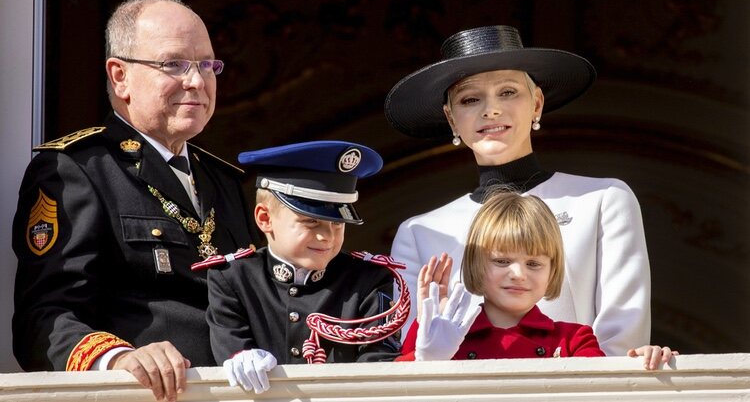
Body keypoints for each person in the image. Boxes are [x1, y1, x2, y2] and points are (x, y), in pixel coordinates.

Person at [12, 0, 255, 402]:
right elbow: (45, 320)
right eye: (174, 64)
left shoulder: (225, 180)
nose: (197, 81)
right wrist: (118, 360)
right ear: (120, 76)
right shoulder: (78, 170)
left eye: (207, 65)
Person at [385, 25, 650, 355]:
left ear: (536, 103)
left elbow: (622, 346)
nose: (490, 110)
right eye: (470, 99)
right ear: (452, 119)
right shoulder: (418, 232)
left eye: (508, 92)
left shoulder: (604, 201)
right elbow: (413, 358)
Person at [202, 141, 405, 394]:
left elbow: (378, 363)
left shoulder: (369, 280)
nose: (327, 237)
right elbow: (231, 346)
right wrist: (241, 355)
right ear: (265, 218)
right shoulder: (232, 278)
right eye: (311, 221)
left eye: (338, 224)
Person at [396, 191, 675, 370]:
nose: (518, 274)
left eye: (534, 263)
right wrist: (427, 361)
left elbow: (604, 393)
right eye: (502, 261)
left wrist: (642, 362)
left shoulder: (573, 340)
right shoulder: (440, 332)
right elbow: (391, 393)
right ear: (475, 266)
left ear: (552, 271)